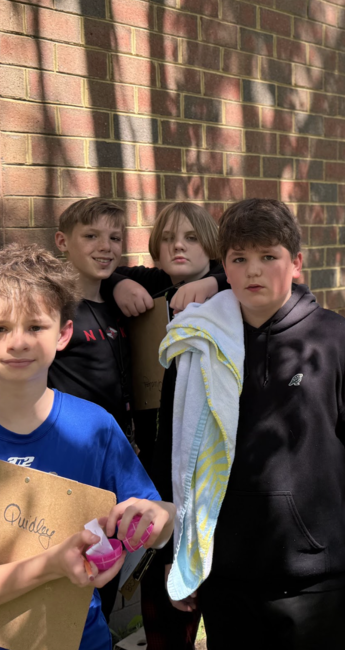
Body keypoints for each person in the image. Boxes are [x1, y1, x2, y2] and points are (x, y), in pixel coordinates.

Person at [0, 244, 175, 650]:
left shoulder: (95, 427)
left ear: (64, 334)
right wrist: (50, 565)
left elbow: (161, 518)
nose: (17, 342)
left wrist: (157, 515)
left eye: (35, 327)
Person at [164, 198, 345, 650]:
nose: (254, 271)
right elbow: (174, 456)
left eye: (268, 257)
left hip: (319, 578)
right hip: (225, 573)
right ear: (224, 269)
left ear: (295, 263)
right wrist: (179, 556)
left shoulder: (336, 342)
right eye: (240, 259)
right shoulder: (197, 348)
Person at [50, 197, 217, 624]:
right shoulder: (52, 309)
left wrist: (117, 284)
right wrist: (117, 282)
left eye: (114, 238)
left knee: (99, 580)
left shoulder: (119, 302)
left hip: (119, 467)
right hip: (68, 468)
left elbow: (235, 270)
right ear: (62, 241)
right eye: (91, 236)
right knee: (66, 584)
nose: (105, 247)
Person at [105, 201, 226, 650]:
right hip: (158, 460)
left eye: (191, 237)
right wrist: (119, 285)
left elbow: (264, 275)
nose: (179, 245)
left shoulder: (228, 290)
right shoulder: (156, 286)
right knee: (162, 575)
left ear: (211, 246)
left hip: (209, 461)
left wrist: (214, 281)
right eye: (169, 238)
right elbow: (103, 272)